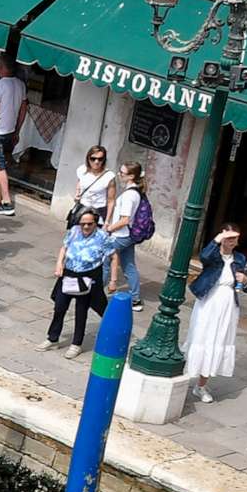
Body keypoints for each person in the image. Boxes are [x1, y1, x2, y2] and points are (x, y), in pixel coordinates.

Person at [184, 224, 247, 405]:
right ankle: (186, 376)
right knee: (201, 336)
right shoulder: (214, 255)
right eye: (228, 238)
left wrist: (245, 281)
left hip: (228, 302)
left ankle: (201, 385)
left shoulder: (240, 258)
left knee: (218, 340)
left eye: (234, 238)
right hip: (209, 300)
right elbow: (205, 256)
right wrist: (217, 239)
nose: (232, 242)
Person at [49, 209, 112, 351]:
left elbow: (113, 257)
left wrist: (113, 279)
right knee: (59, 306)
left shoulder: (102, 237)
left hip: (88, 276)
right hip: (69, 273)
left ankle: (76, 344)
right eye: (83, 223)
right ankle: (52, 338)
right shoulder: (74, 231)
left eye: (89, 224)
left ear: (95, 223)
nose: (86, 227)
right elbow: (64, 248)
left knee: (81, 309)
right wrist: (59, 264)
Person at [0, 58, 28, 211]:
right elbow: (23, 109)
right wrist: (17, 130)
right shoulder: (20, 84)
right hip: (10, 131)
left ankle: (6, 200)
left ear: (1, 68)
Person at [104, 162, 151, 296]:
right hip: (128, 236)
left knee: (105, 260)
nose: (119, 174)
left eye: (122, 172)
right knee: (128, 265)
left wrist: (110, 229)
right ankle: (135, 297)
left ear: (131, 176)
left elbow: (125, 219)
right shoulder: (136, 192)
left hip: (121, 235)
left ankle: (95, 294)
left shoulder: (129, 195)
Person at [67, 145, 113, 223]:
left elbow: (111, 200)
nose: (96, 162)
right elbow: (79, 183)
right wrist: (77, 193)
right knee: (74, 234)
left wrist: (107, 221)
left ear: (104, 160)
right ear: (88, 158)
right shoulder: (82, 170)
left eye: (100, 159)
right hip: (82, 209)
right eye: (93, 159)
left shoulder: (109, 176)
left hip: (98, 212)